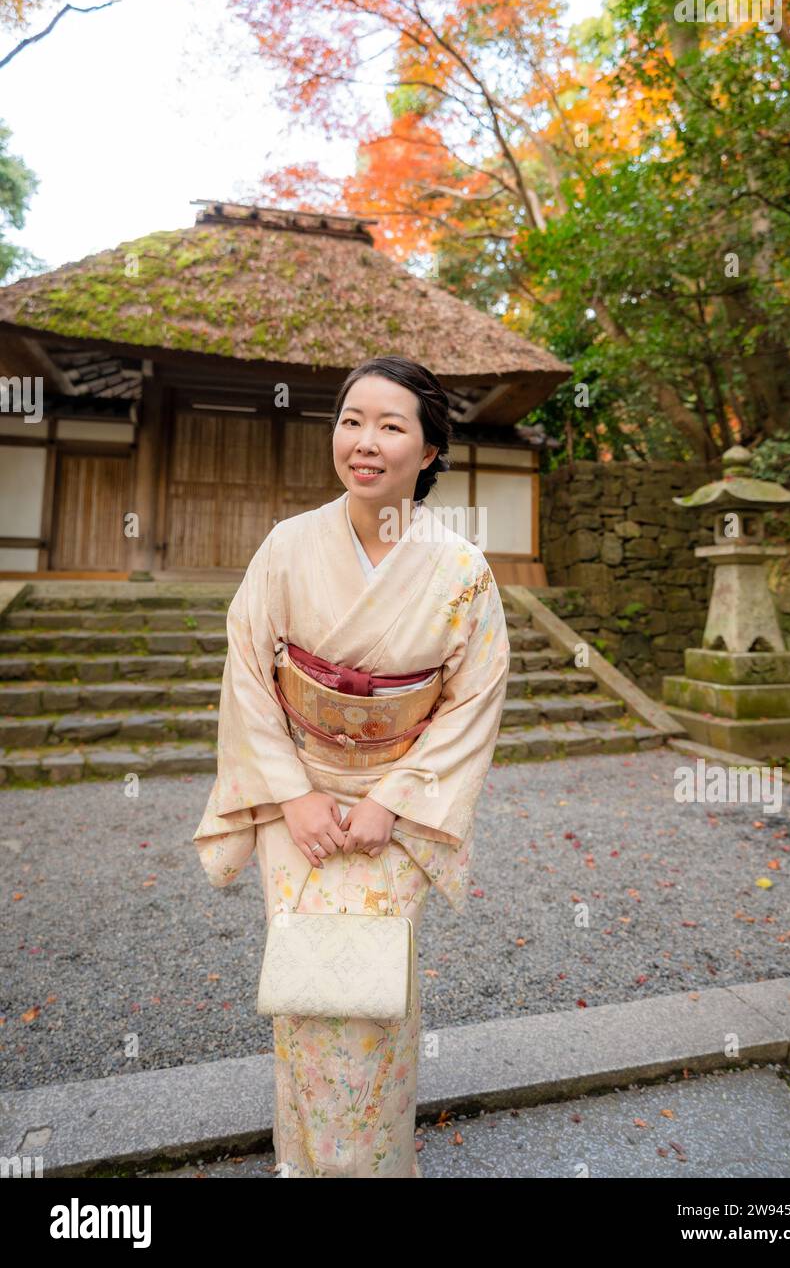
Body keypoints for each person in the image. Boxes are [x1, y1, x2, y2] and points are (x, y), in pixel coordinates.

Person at [191, 354, 510, 1177]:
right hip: (294, 800)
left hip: (391, 817)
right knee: (302, 993)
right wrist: (293, 796)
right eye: (351, 421)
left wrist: (393, 802)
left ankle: (375, 1164)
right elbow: (245, 672)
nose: (364, 442)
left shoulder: (463, 573)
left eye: (391, 425)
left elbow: (473, 702)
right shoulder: (288, 546)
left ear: (431, 449)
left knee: (373, 997)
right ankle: (303, 1163)